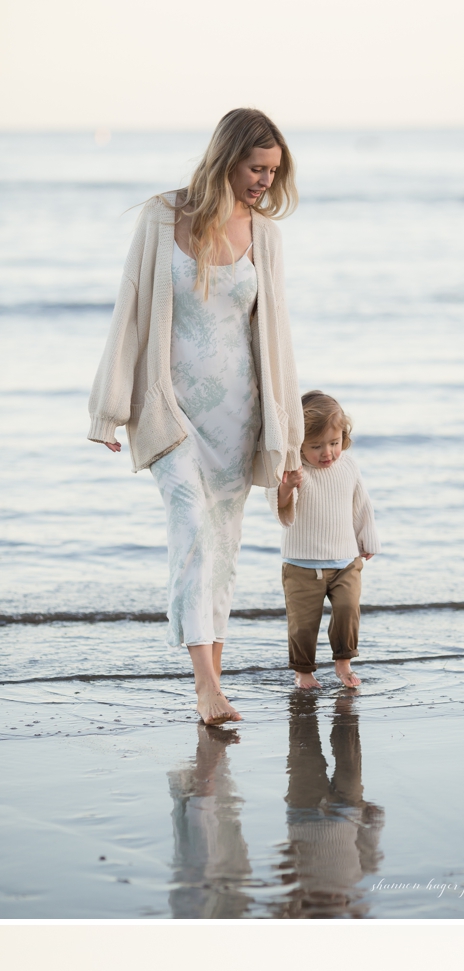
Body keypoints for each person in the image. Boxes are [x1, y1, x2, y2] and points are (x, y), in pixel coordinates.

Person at [88, 108, 304, 726]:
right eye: (256, 168)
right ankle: (205, 686)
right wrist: (111, 406)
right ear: (226, 156)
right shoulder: (162, 217)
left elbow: (277, 339)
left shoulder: (265, 235)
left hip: (238, 416)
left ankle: (214, 678)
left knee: (223, 547)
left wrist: (285, 439)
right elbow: (129, 307)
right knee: (190, 529)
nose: (264, 181)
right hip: (170, 408)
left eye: (272, 172)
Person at [271, 392, 379, 691]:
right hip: (301, 565)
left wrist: (366, 538)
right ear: (298, 445)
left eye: (334, 443)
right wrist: (286, 487)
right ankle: (303, 672)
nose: (327, 452)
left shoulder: (348, 467)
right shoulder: (294, 471)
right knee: (303, 624)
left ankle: (343, 662)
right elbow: (279, 507)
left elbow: (361, 504)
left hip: (346, 560)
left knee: (348, 609)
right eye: (316, 446)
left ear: (344, 437)